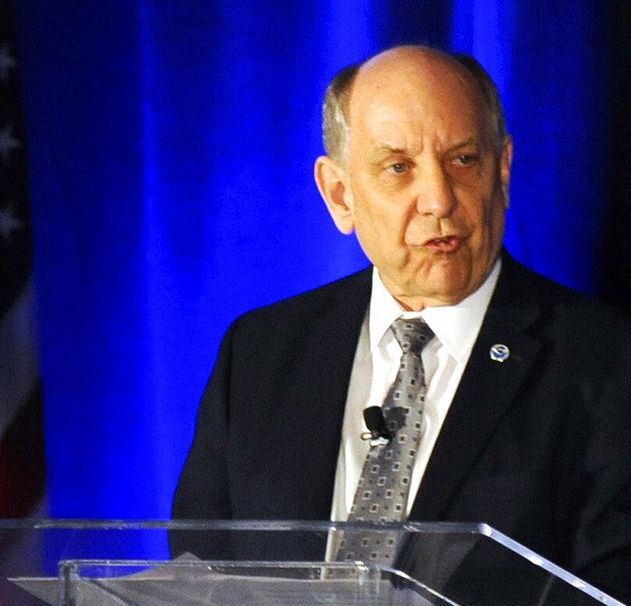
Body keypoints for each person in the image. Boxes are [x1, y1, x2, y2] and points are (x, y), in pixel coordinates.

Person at [172, 45, 631, 603]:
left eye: (464, 160)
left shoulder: (606, 362)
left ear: (503, 170)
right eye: (399, 168)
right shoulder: (262, 352)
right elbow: (199, 579)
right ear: (340, 195)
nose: (439, 199)